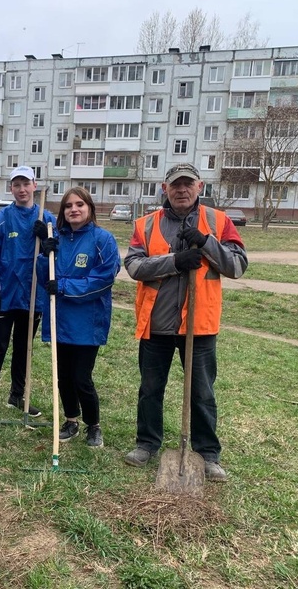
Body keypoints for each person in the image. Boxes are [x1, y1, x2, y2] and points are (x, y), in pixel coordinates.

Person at [123, 163, 248, 482]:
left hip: (200, 325)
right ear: (165, 189)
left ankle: (207, 453)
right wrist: (175, 262)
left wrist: (206, 242)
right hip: (157, 323)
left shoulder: (218, 222)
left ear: (199, 186)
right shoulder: (147, 224)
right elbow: (134, 266)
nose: (182, 189)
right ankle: (147, 443)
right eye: (175, 184)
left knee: (202, 391)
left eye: (187, 184)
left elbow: (236, 266)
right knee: (151, 388)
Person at [37, 187, 120, 446]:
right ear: (62, 211)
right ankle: (71, 419)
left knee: (82, 377)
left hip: (87, 321)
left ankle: (93, 425)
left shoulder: (102, 240)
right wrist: (43, 254)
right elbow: (43, 277)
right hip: (60, 319)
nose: (74, 209)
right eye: (68, 205)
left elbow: (103, 279)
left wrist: (64, 287)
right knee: (62, 376)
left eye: (80, 204)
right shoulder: (57, 238)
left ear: (89, 208)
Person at [0, 166, 57, 428]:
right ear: (11, 188)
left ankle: (17, 396)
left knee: (25, 349)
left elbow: (56, 257)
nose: (22, 189)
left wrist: (47, 241)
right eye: (16, 185)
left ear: (35, 185)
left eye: (26, 184)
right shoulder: (1, 219)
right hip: (5, 295)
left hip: (33, 295)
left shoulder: (47, 219)